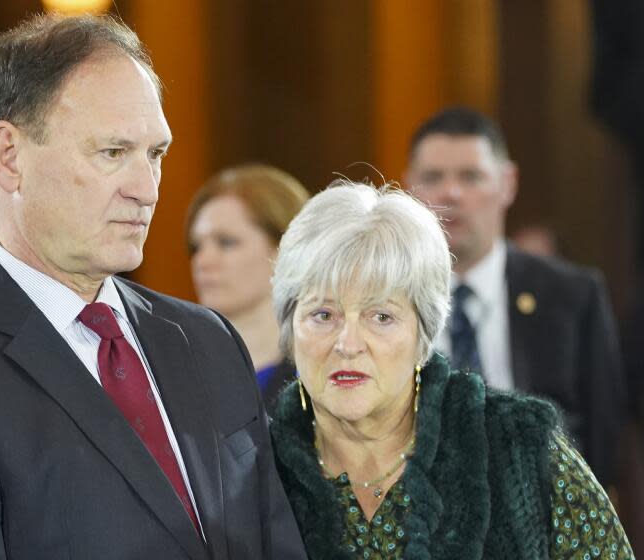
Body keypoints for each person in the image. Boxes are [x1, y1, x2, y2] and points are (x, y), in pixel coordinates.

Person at [0, 14, 306, 560]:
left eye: (155, 154)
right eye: (112, 153)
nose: (146, 188)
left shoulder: (205, 340)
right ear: (9, 157)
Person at [269, 181, 633, 558]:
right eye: (323, 315)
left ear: (422, 331)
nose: (348, 343)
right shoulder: (251, 474)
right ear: (290, 328)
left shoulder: (521, 448)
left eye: (381, 316)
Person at [403, 107, 625, 487]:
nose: (451, 193)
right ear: (408, 187)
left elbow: (606, 448)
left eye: (471, 177)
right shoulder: (384, 299)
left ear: (508, 183)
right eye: (433, 177)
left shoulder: (572, 297)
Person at [186, 164, 309, 409]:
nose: (202, 261)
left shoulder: (320, 376)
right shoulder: (176, 376)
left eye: (226, 242)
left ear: (284, 251)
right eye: (196, 247)